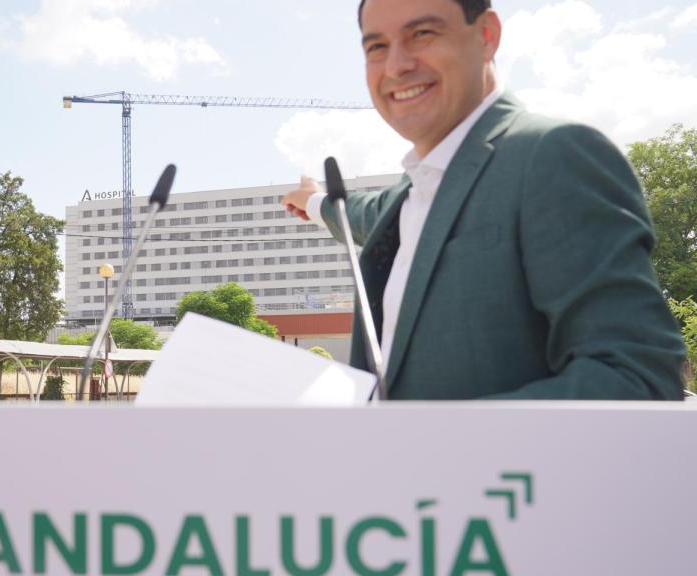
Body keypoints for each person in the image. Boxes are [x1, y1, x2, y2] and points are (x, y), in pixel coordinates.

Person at [281, 0, 685, 399]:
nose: (396, 66)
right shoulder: (409, 195)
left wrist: (431, 435)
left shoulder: (554, 155)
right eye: (377, 46)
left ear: (487, 35)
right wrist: (313, 201)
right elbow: (354, 213)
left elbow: (636, 376)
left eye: (422, 33)